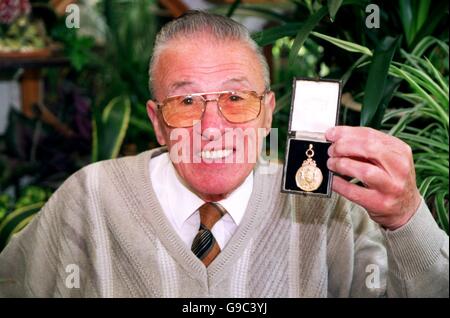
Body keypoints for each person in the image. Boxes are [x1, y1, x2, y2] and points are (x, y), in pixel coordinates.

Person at [0, 11, 448, 298]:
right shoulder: (91, 197)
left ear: (267, 113)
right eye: (187, 102)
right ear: (157, 122)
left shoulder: (331, 209)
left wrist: (408, 217)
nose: (212, 129)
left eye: (236, 98)